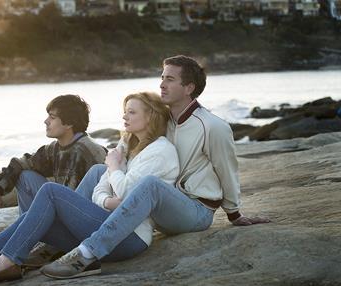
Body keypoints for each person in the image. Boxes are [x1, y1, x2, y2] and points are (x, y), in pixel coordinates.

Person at [41, 55, 271, 279]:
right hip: (160, 210)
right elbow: (124, 145)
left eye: (170, 79)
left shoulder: (213, 127)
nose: (161, 84)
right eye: (162, 77)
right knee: (99, 172)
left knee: (150, 184)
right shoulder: (160, 118)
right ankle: (58, 242)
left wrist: (234, 213)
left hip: (195, 211)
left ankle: (87, 253)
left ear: (189, 87)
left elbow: (227, 170)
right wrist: (115, 160)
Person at [0, 91, 180, 284]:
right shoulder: (126, 148)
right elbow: (102, 192)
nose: (124, 116)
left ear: (151, 117)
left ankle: (6, 261)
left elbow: (126, 196)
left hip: (128, 238)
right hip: (101, 225)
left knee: (49, 193)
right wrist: (107, 196)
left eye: (132, 112)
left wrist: (112, 173)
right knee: (28, 217)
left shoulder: (157, 152)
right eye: (125, 110)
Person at [0, 94, 107, 217]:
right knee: (25, 176)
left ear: (69, 123)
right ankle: (28, 223)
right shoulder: (55, 148)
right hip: (62, 209)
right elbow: (22, 163)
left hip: (81, 218)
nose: (46, 121)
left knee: (48, 189)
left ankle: (33, 227)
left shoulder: (90, 151)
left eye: (52, 117)